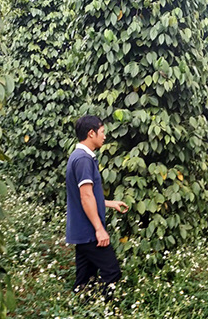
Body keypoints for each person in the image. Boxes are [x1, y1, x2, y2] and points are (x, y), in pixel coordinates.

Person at [65, 115, 129, 300]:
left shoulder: (78, 156)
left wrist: (110, 203)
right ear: (91, 133)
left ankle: (82, 308)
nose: (105, 136)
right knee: (112, 272)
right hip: (89, 231)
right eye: (102, 132)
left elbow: (87, 196)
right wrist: (99, 230)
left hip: (81, 231)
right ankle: (104, 308)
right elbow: (85, 197)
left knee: (85, 279)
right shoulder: (84, 159)